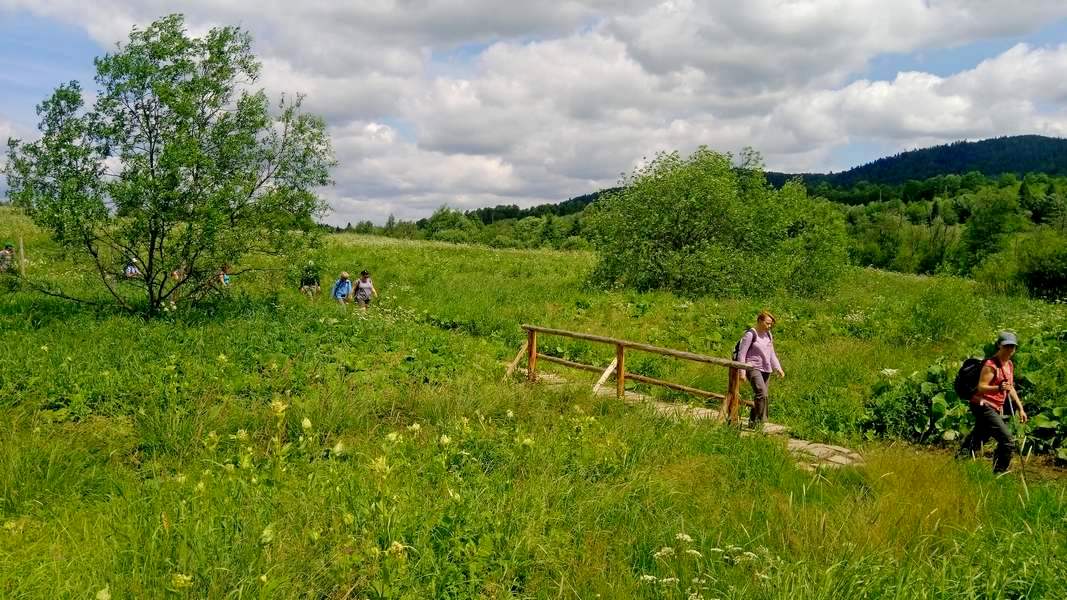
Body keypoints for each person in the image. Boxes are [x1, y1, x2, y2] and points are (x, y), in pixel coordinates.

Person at [959, 331, 1028, 473]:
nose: (1009, 349)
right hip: (982, 405)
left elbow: (1010, 388)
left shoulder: (1009, 364)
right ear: (999, 346)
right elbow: (981, 387)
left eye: (1012, 346)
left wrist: (1021, 408)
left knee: (979, 438)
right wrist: (998, 388)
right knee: (1007, 441)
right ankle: (999, 474)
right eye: (1006, 346)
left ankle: (958, 462)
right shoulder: (991, 365)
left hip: (995, 407)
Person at [736, 310, 785, 429]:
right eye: (767, 323)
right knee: (762, 393)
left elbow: (771, 353)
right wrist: (742, 372)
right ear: (759, 321)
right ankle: (761, 421)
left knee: (760, 396)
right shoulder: (750, 334)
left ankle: (753, 422)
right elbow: (742, 354)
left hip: (766, 369)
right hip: (752, 367)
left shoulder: (769, 335)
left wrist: (778, 368)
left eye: (771, 324)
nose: (769, 326)